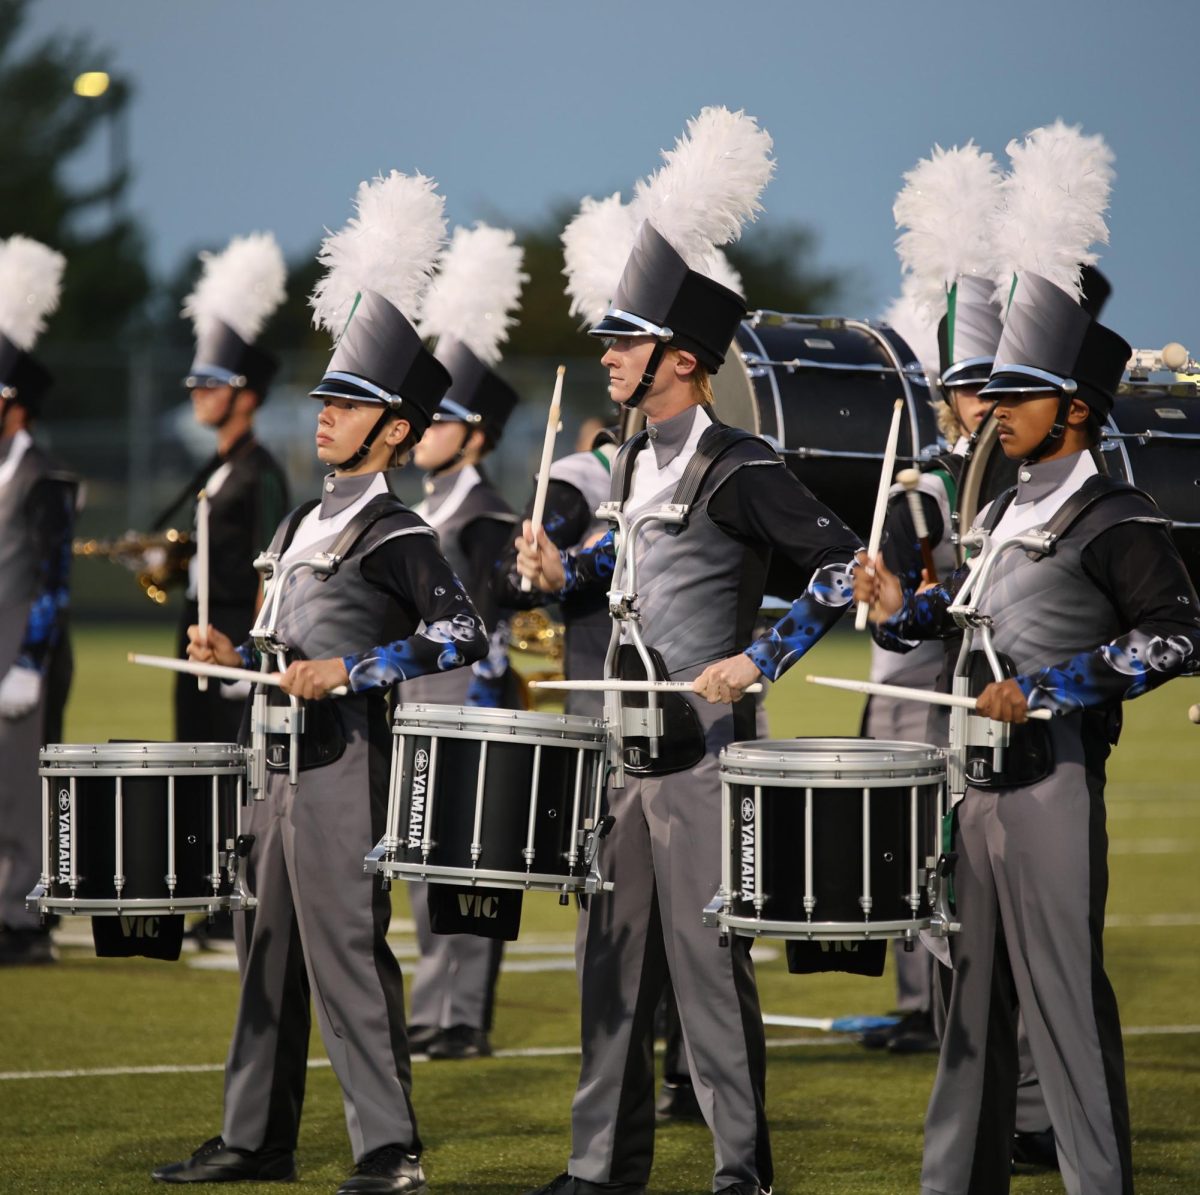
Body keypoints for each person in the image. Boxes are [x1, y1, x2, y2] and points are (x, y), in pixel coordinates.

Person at [514, 107, 862, 1195]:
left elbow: (844, 567)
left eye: (624, 341)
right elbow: (628, 570)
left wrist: (764, 658)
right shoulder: (632, 461)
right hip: (622, 749)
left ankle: (739, 1168)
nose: (608, 355)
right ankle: (600, 1166)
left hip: (706, 756)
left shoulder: (739, 461)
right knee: (607, 967)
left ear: (679, 357)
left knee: (709, 971)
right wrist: (559, 574)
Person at [152, 172, 484, 1195]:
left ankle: (391, 1150)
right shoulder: (302, 525)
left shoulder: (398, 529)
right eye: (326, 399)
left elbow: (458, 630)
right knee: (262, 960)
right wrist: (234, 655)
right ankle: (257, 1137)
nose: (326, 416)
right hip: (275, 771)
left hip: (347, 770)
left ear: (393, 429)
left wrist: (360, 668)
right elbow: (281, 651)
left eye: (348, 404)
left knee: (347, 958)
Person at [855, 271, 1200, 1195]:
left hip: (1056, 778)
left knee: (1065, 1002)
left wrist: (1048, 688)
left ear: (1076, 409)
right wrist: (896, 612)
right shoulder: (1001, 509)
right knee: (969, 1005)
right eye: (995, 393)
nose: (996, 410)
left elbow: (1175, 630)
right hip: (976, 788)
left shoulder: (1115, 515)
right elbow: (962, 618)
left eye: (1019, 393)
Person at [401, 223, 526, 1061]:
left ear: (475, 433)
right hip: (419, 702)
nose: (422, 430)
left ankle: (463, 1015)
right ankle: (433, 1004)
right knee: (422, 861)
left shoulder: (482, 517)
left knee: (466, 861)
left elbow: (483, 626)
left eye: (440, 419)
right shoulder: (427, 510)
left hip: (468, 704)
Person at [165, 234, 290, 746]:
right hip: (194, 627)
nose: (198, 393)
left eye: (212, 384)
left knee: (226, 763)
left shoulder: (259, 470)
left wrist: (250, 653)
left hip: (232, 631)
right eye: (196, 383)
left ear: (248, 395)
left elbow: (271, 566)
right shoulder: (218, 466)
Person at [0, 236, 76, 967]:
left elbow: (55, 576)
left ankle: (25, 919)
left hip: (26, 642)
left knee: (25, 788)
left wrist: (30, 659)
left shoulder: (44, 477)